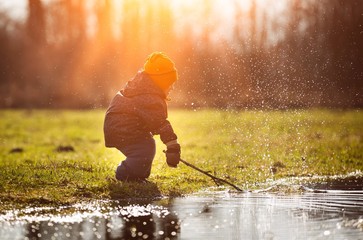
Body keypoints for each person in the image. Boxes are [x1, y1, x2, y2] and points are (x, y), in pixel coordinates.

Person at [103, 52, 181, 182]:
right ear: (161, 82)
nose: (172, 87)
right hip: (122, 128)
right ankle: (125, 174)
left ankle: (136, 176)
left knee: (146, 146)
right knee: (144, 149)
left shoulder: (142, 87)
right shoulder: (149, 97)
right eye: (170, 83)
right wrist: (172, 146)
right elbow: (160, 123)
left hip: (118, 125)